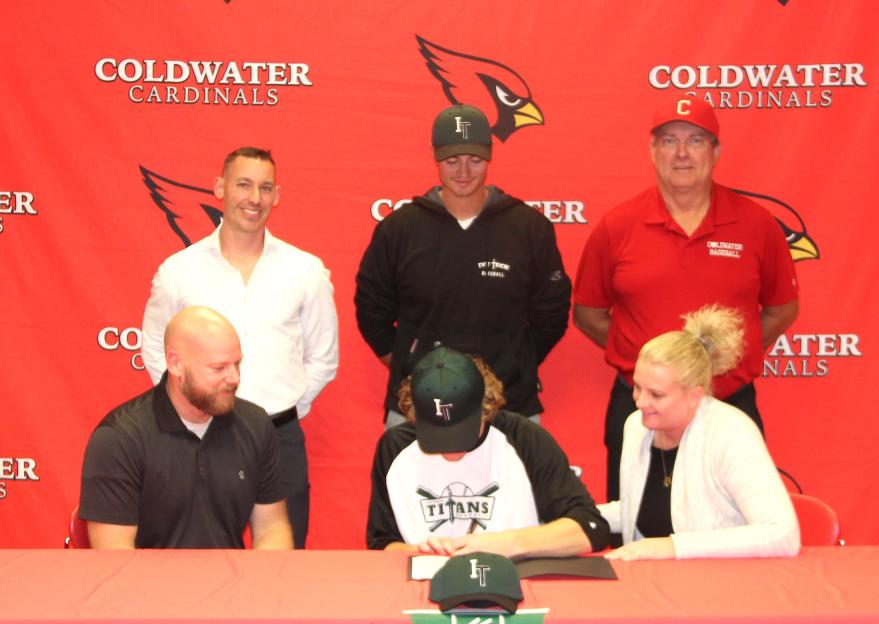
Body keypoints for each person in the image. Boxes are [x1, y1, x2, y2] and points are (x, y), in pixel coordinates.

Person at [573, 95, 799, 500]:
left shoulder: (756, 224)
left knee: (736, 540)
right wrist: (645, 364)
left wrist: (730, 355)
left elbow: (782, 309)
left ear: (716, 152)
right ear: (652, 150)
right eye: (668, 140)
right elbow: (588, 313)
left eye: (695, 141)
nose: (681, 153)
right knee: (636, 539)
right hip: (641, 410)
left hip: (728, 404)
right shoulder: (618, 226)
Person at [141, 147, 338, 548]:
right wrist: (193, 408)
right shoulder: (179, 271)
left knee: (283, 567)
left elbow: (323, 358)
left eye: (265, 188)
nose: (254, 198)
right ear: (220, 188)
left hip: (279, 437)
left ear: (277, 196)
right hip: (200, 436)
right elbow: (157, 351)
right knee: (200, 565)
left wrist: (285, 411)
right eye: (243, 185)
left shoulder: (305, 271)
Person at [355, 104, 570, 427]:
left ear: (490, 156)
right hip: (418, 404)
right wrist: (413, 362)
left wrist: (512, 360)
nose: (464, 172)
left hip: (510, 405)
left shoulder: (529, 228)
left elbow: (551, 315)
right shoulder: (399, 229)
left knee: (516, 480)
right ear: (434, 156)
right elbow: (372, 312)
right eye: (452, 161)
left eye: (475, 160)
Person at [80, 307, 294, 549]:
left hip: (234, 583)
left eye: (237, 364)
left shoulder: (255, 425)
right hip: (147, 584)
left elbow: (271, 527)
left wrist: (259, 583)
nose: (234, 378)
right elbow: (114, 557)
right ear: (176, 364)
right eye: (219, 367)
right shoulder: (119, 439)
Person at [366, 346, 609, 557]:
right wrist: (422, 552)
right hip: (427, 584)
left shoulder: (523, 438)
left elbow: (590, 528)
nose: (452, 453)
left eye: (462, 434)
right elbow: (382, 542)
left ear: (486, 406)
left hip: (517, 579)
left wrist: (506, 544)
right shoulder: (396, 448)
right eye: (437, 436)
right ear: (413, 415)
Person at [603, 305, 799, 560]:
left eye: (656, 394)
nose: (640, 402)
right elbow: (638, 509)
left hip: (728, 586)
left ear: (695, 396)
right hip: (651, 585)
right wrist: (573, 518)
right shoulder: (636, 426)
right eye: (638, 388)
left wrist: (673, 547)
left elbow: (782, 535)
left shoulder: (732, 432)